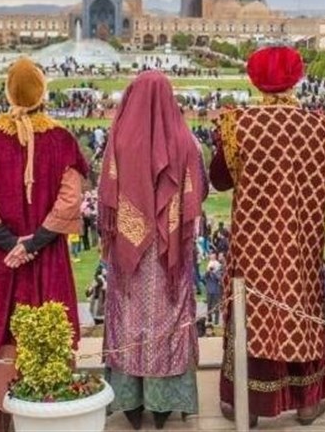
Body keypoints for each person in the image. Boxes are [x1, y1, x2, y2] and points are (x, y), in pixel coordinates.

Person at [210, 46, 325, 427]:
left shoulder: (239, 124)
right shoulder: (323, 128)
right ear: (297, 77)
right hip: (301, 244)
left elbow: (220, 180)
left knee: (254, 316)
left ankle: (248, 405)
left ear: (255, 80)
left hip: (255, 247)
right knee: (301, 311)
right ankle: (305, 403)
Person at [0, 58, 88, 432]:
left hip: (1, 258)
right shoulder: (61, 139)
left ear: (8, 91)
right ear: (42, 91)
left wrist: (8, 242)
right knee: (42, 317)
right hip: (43, 254)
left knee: (3, 323)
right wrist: (33, 243)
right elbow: (69, 199)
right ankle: (43, 396)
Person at [99, 71, 207, 430]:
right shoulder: (185, 141)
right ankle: (163, 405)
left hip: (129, 256)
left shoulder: (119, 138)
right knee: (167, 319)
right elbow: (199, 192)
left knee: (128, 320)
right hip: (168, 252)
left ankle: (129, 402)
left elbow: (108, 194)